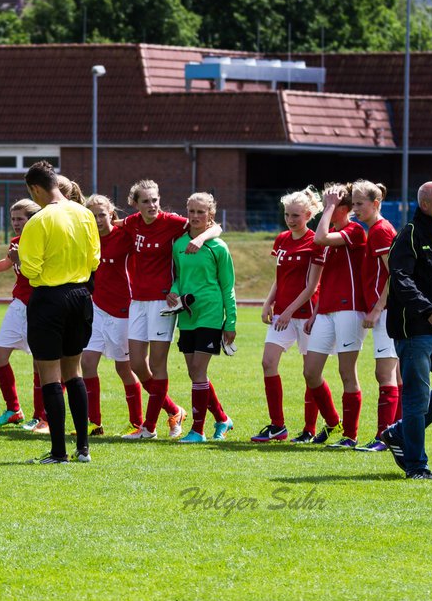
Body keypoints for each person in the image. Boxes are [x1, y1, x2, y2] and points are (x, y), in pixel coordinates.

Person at [379, 182, 432, 481]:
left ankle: (399, 433)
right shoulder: (410, 234)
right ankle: (417, 466)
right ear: (425, 204)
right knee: (417, 397)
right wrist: (429, 311)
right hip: (416, 328)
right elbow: (400, 280)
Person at [122, 180, 219, 440]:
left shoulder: (174, 222)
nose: (152, 205)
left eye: (155, 199)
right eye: (146, 201)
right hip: (137, 301)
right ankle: (174, 409)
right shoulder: (132, 223)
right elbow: (114, 226)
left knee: (157, 364)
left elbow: (216, 227)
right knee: (136, 364)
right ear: (136, 204)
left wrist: (199, 239)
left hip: (163, 302)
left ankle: (149, 428)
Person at [17, 161, 100, 464]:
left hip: (49, 298)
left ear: (36, 189)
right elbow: (94, 259)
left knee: (49, 375)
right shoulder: (85, 213)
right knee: (74, 371)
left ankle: (58, 452)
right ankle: (83, 448)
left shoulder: (39, 220)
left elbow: (30, 267)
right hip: (81, 296)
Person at [251, 188, 324, 443]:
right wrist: (268, 303)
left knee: (310, 373)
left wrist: (290, 311)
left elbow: (312, 286)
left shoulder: (316, 241)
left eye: (295, 215)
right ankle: (277, 426)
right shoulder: (281, 239)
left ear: (308, 215)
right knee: (268, 362)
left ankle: (309, 429)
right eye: (287, 215)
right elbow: (279, 278)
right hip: (282, 313)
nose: (290, 220)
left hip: (306, 315)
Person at [168, 193, 237, 443]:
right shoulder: (179, 245)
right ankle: (222, 418)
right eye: (192, 211)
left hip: (209, 313)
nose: (195, 216)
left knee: (198, 372)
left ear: (211, 215)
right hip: (187, 315)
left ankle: (198, 431)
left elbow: (228, 286)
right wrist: (175, 290)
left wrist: (230, 322)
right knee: (195, 374)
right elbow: (178, 276)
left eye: (201, 212)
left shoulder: (218, 246)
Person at [302, 183, 366, 447]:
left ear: (344, 207)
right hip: (326, 311)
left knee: (346, 371)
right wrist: (315, 312)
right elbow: (322, 278)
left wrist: (328, 207)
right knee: (310, 372)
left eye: (333, 201)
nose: (326, 205)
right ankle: (332, 421)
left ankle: (350, 435)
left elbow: (320, 238)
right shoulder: (328, 234)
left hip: (350, 309)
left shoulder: (355, 230)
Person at [81, 195, 143, 436]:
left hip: (123, 310)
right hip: (97, 307)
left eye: (101, 215)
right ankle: (93, 422)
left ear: (111, 215)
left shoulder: (124, 237)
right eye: (92, 215)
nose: (97, 220)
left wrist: (122, 224)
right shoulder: (88, 240)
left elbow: (141, 225)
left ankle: (138, 422)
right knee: (87, 363)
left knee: (124, 369)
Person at [0, 199, 44, 429]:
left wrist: (21, 259)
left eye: (21, 218)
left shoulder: (42, 242)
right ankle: (13, 410)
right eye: (14, 219)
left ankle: (40, 416)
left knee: (40, 364)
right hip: (19, 305)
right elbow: (8, 262)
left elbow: (35, 271)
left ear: (32, 219)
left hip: (38, 306)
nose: (16, 223)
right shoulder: (16, 242)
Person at [352, 180, 402, 452]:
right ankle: (397, 433)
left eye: (360, 204)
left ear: (376, 204)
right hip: (389, 310)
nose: (355, 209)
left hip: (387, 311)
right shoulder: (376, 230)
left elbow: (395, 274)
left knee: (384, 373)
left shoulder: (381, 231)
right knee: (395, 374)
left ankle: (384, 437)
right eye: (354, 203)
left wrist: (377, 308)